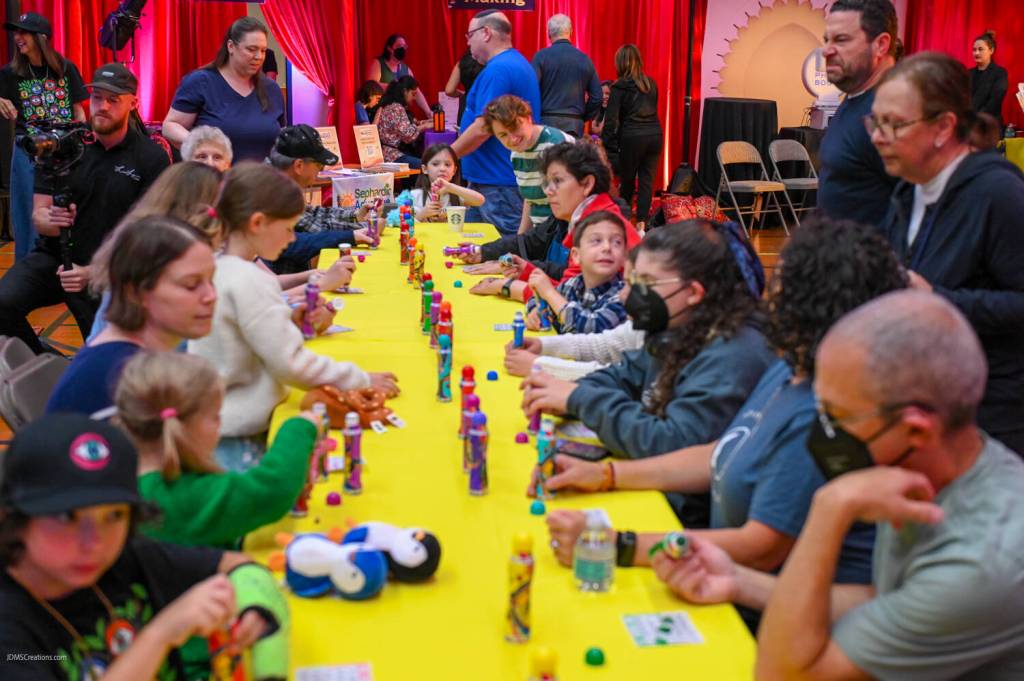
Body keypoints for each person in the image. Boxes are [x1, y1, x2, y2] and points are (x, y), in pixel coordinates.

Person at [542, 218, 906, 634]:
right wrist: (606, 474)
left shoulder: (821, 406)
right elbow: (718, 453)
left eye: (780, 287)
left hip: (762, 618)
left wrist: (616, 544)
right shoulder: (791, 369)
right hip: (717, 576)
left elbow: (761, 547)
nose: (764, 297)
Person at [659, 291, 1024, 680]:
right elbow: (882, 601)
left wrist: (830, 509)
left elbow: (783, 673)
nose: (821, 431)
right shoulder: (942, 461)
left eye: (836, 417)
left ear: (915, 428)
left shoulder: (982, 564)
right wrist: (737, 581)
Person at [0, 413, 267, 680]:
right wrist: (161, 634)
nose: (94, 542)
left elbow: (233, 563)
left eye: (115, 515)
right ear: (13, 517)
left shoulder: (127, 559)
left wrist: (253, 605)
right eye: (66, 516)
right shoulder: (12, 631)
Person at [188, 163, 397, 472]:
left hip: (218, 424)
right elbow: (292, 364)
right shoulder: (247, 278)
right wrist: (360, 379)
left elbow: (250, 331)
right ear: (258, 223)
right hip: (238, 436)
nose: (290, 240)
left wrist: (289, 317)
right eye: (288, 229)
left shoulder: (222, 267)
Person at [872, 52, 1024, 455]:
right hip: (931, 404)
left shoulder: (998, 194)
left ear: (943, 127)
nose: (877, 136)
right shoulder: (909, 187)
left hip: (992, 420)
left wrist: (939, 301)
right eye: (876, 121)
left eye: (894, 124)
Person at [522, 219, 776, 461]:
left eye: (644, 283)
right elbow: (624, 375)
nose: (625, 297)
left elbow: (668, 440)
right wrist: (571, 393)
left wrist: (578, 399)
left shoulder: (734, 355)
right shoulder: (675, 326)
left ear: (693, 292)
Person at [0, 63, 169, 355]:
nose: (102, 106)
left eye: (113, 99)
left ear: (133, 103)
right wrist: (51, 220)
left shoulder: (150, 158)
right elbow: (39, 215)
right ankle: (46, 362)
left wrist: (94, 272)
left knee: (107, 355)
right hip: (55, 257)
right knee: (2, 304)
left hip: (109, 270)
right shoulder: (63, 146)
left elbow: (146, 237)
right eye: (97, 97)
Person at [115, 351, 320, 550]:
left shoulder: (120, 480)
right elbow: (274, 488)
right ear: (182, 427)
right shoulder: (189, 496)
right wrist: (300, 427)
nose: (220, 423)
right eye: (215, 416)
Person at [44, 216, 216, 417]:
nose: (211, 296)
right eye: (191, 285)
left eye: (212, 280)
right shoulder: (116, 379)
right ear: (136, 292)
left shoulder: (144, 356)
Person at [458, 141, 635, 303]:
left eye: (557, 181)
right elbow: (570, 284)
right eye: (547, 183)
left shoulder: (600, 228)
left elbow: (570, 302)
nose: (549, 191)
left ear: (587, 183)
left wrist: (507, 287)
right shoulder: (589, 216)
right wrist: (526, 271)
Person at [0, 12, 88, 261]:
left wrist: (80, 134)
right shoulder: (10, 73)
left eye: (23, 32)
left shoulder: (66, 68)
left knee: (67, 208)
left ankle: (69, 263)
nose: (17, 37)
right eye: (16, 32)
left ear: (41, 37)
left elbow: (78, 109)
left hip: (66, 151)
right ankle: (29, 267)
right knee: (29, 211)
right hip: (28, 151)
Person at [451, 10, 542, 236]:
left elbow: (484, 127)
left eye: (469, 35)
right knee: (476, 252)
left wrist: (447, 156)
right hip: (493, 183)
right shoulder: (513, 63)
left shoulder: (499, 69)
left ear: (486, 33)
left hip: (498, 185)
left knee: (505, 257)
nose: (468, 42)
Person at [816, 0, 900, 229]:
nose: (826, 50)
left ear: (881, 45)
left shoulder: (894, 112)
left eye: (841, 40)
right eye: (827, 40)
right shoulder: (854, 97)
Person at [162, 17, 285, 162]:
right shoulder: (200, 82)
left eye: (263, 51)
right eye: (251, 49)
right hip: (212, 178)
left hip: (259, 180)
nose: (258, 57)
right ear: (231, 46)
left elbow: (279, 136)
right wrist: (200, 144)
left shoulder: (272, 89)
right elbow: (170, 126)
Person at [266, 124, 377, 272]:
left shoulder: (279, 181)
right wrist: (356, 233)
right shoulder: (269, 191)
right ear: (299, 166)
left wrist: (355, 216)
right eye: (319, 165)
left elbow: (313, 214)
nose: (320, 172)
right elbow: (313, 231)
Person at [523, 210, 627, 334]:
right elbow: (538, 299)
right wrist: (536, 310)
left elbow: (591, 327)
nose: (607, 248)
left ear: (624, 257)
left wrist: (549, 292)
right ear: (576, 256)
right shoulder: (573, 284)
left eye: (617, 242)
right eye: (596, 241)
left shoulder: (624, 295)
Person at [482, 94, 573, 233]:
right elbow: (529, 200)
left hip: (563, 232)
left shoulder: (554, 144)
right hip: (541, 234)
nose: (512, 139)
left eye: (514, 127)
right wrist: (521, 240)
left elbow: (571, 200)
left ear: (528, 118)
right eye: (503, 135)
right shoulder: (516, 153)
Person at [602, 44, 662, 227]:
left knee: (627, 183)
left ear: (620, 63)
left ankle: (624, 223)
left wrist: (611, 152)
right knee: (647, 182)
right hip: (655, 135)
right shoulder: (651, 84)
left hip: (632, 138)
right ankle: (642, 224)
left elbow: (611, 121)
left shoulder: (619, 86)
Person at [531, 14, 603, 137]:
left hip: (546, 123)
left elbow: (530, 90)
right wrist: (582, 116)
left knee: (548, 157)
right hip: (574, 125)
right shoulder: (584, 59)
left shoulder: (540, 57)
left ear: (549, 34)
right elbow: (597, 97)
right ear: (571, 32)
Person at [410, 143, 485, 222]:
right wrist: (422, 214)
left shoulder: (456, 195)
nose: (442, 168)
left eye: (447, 164)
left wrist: (450, 187)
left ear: (454, 171)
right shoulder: (414, 195)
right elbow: (403, 226)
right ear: (425, 169)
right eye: (435, 164)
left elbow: (480, 200)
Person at [366, 34, 430, 118]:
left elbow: (417, 92)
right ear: (389, 48)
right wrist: (394, 86)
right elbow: (371, 86)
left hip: (400, 115)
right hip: (380, 113)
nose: (402, 49)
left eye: (404, 46)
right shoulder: (378, 63)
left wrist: (428, 112)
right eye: (399, 46)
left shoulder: (406, 69)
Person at [375, 76, 431, 167]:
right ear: (405, 91)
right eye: (413, 94)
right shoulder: (397, 108)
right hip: (393, 155)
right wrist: (424, 126)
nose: (414, 98)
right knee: (427, 166)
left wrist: (422, 123)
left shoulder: (391, 105)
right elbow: (408, 136)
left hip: (389, 153)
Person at [970, 30, 1008, 124]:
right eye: (974, 50)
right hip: (969, 126)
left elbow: (995, 101)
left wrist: (974, 118)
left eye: (980, 49)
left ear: (991, 50)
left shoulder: (1000, 73)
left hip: (990, 126)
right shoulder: (967, 73)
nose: (976, 53)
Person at [444, 47, 484, 125]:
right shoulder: (489, 63)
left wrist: (461, 94)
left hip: (466, 105)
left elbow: (449, 90)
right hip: (484, 103)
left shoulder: (461, 64)